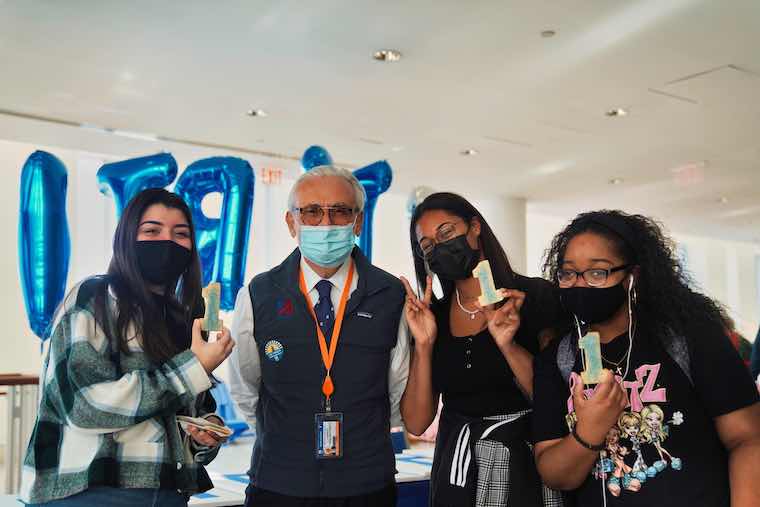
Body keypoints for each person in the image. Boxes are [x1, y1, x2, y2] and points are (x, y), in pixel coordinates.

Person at [20, 188, 235, 506]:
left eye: (181, 233)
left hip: (166, 492)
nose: (167, 242)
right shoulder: (94, 297)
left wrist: (205, 433)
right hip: (89, 493)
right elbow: (84, 407)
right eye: (151, 230)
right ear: (125, 238)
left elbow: (181, 415)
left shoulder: (182, 318)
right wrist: (193, 369)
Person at [532, 210, 760, 506]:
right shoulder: (560, 357)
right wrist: (588, 431)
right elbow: (556, 475)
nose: (580, 284)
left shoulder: (687, 337)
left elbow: (747, 438)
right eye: (568, 273)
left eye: (598, 272)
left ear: (632, 277)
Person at [228, 165, 409, 506]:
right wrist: (287, 436)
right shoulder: (258, 294)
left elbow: (397, 388)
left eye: (339, 211)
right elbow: (245, 388)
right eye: (311, 212)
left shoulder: (389, 295)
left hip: (366, 485)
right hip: (278, 484)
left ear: (357, 222)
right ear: (290, 223)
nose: (325, 224)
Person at [400, 192, 562, 506]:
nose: (440, 246)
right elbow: (418, 422)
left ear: (475, 227)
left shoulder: (533, 296)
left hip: (523, 471)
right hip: (456, 473)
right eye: (429, 246)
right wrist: (423, 344)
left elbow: (552, 402)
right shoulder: (432, 317)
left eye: (446, 233)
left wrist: (508, 345)